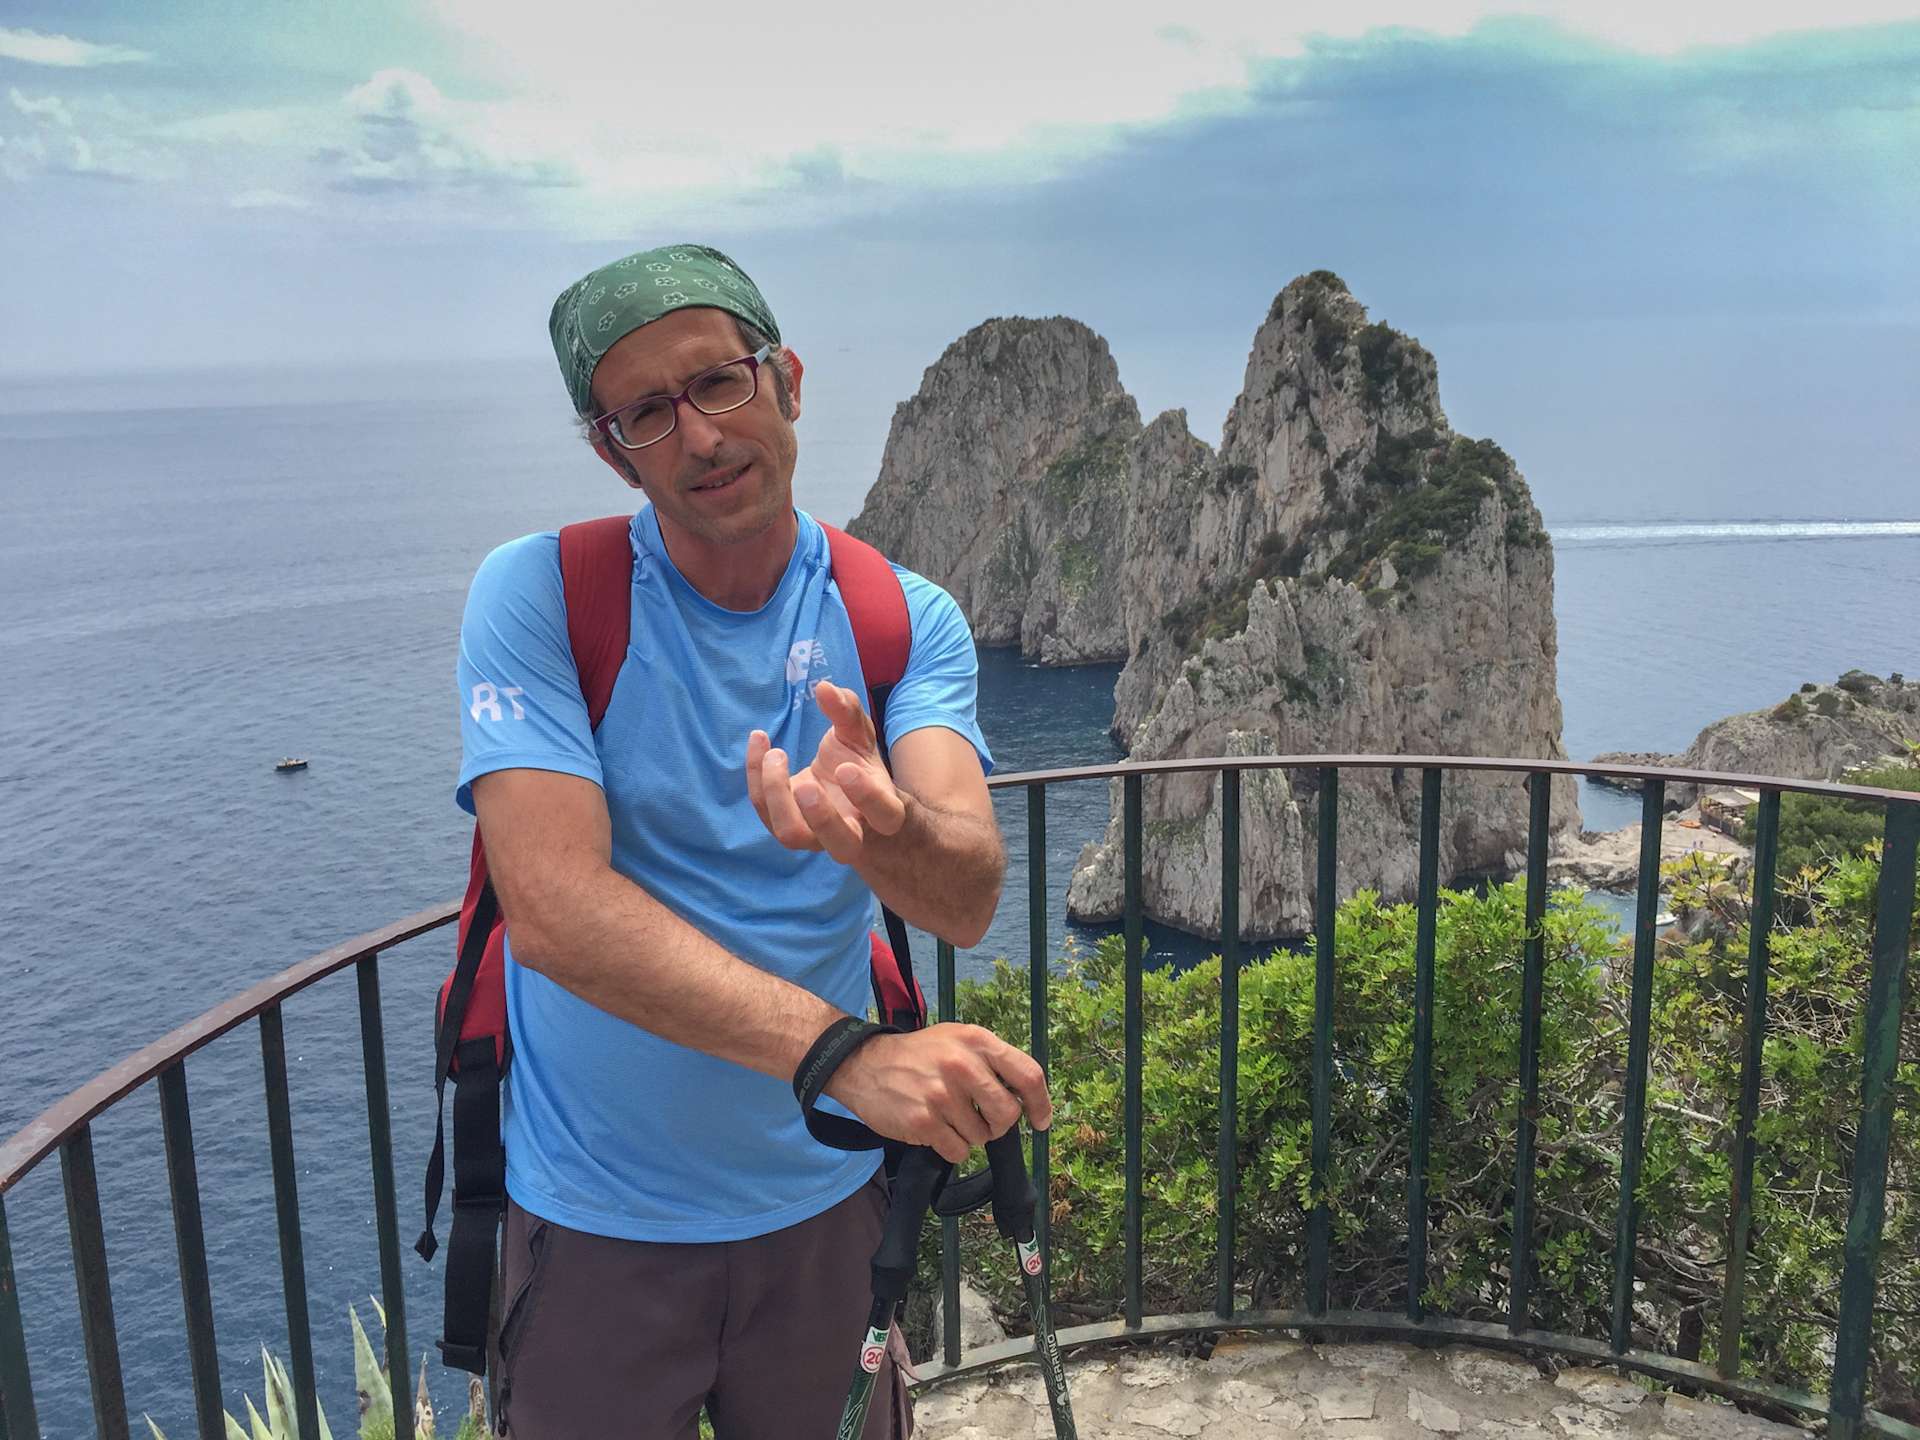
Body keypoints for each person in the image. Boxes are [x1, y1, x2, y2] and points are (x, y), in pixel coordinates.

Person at [455, 242, 1053, 1439]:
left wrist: (885, 829)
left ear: (785, 379)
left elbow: (967, 895)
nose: (698, 437)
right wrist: (844, 1059)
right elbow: (555, 908)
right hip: (598, 1223)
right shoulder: (541, 598)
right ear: (608, 448)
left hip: (822, 1209)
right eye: (645, 413)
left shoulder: (900, 617)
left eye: (719, 383)